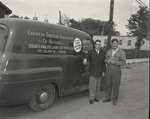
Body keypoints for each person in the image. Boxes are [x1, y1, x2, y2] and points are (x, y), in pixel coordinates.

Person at [103, 38, 126, 105]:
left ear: (117, 44)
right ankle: (107, 98)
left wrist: (115, 62)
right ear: (111, 44)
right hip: (108, 70)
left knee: (116, 85)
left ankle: (115, 99)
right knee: (108, 85)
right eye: (113, 43)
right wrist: (107, 61)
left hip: (116, 71)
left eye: (116, 43)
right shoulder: (109, 51)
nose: (114, 45)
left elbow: (123, 62)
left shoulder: (121, 52)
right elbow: (105, 59)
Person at [88, 40, 106, 104]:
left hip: (100, 72)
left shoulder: (103, 53)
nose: (98, 46)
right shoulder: (90, 52)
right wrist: (84, 59)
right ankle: (91, 98)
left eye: (99, 44)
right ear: (95, 45)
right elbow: (87, 58)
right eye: (97, 44)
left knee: (98, 87)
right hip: (92, 72)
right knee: (92, 86)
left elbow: (103, 63)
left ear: (100, 45)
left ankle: (96, 97)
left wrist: (104, 71)